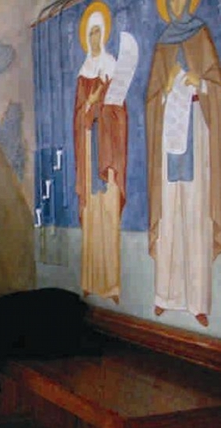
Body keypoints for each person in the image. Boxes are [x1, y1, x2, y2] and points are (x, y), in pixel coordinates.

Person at [146, 0, 221, 326]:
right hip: (168, 144)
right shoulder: (162, 44)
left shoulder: (200, 35)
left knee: (195, 215)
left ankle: (198, 301)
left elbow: (216, 87)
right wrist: (165, 88)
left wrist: (199, 82)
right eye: (171, 1)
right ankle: (165, 295)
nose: (176, 5)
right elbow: (152, 98)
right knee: (170, 218)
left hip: (196, 136)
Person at [74, 3, 128, 304]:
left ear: (104, 34)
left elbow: (120, 113)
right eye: (91, 33)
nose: (94, 37)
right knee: (92, 216)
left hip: (107, 153)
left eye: (98, 32)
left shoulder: (112, 67)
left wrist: (101, 106)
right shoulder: (83, 74)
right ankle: (90, 282)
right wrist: (91, 101)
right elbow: (78, 117)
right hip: (89, 149)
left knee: (108, 215)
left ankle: (112, 286)